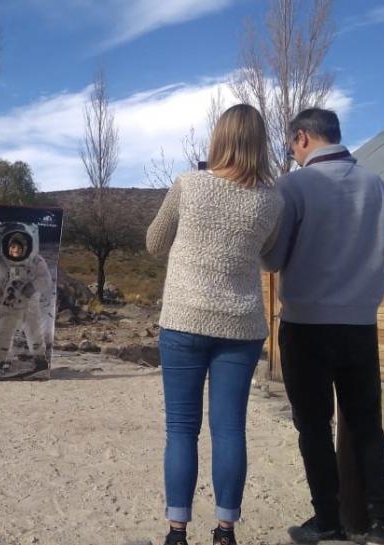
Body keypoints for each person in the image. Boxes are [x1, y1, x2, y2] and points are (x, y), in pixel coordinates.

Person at [261, 108, 384, 545]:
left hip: (307, 324)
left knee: (314, 426)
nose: (291, 150)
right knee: (366, 424)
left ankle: (327, 519)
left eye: (290, 143)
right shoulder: (376, 185)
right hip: (361, 323)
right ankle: (382, 519)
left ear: (302, 138)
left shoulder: (294, 186)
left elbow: (273, 258)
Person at [147, 104, 283, 545]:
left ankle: (176, 532)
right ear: (261, 143)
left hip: (184, 319)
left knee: (181, 428)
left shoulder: (189, 185)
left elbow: (153, 244)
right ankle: (225, 531)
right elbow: (269, 257)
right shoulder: (272, 198)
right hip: (242, 325)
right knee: (229, 428)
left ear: (219, 139)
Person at [0, 221, 53, 379]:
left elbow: (45, 279)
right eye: (12, 247)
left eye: (19, 247)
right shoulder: (0, 265)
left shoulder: (36, 261)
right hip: (8, 305)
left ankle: (40, 360)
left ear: (26, 247)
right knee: (3, 332)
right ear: (6, 247)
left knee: (34, 332)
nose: (15, 251)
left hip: (29, 305)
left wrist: (33, 287)